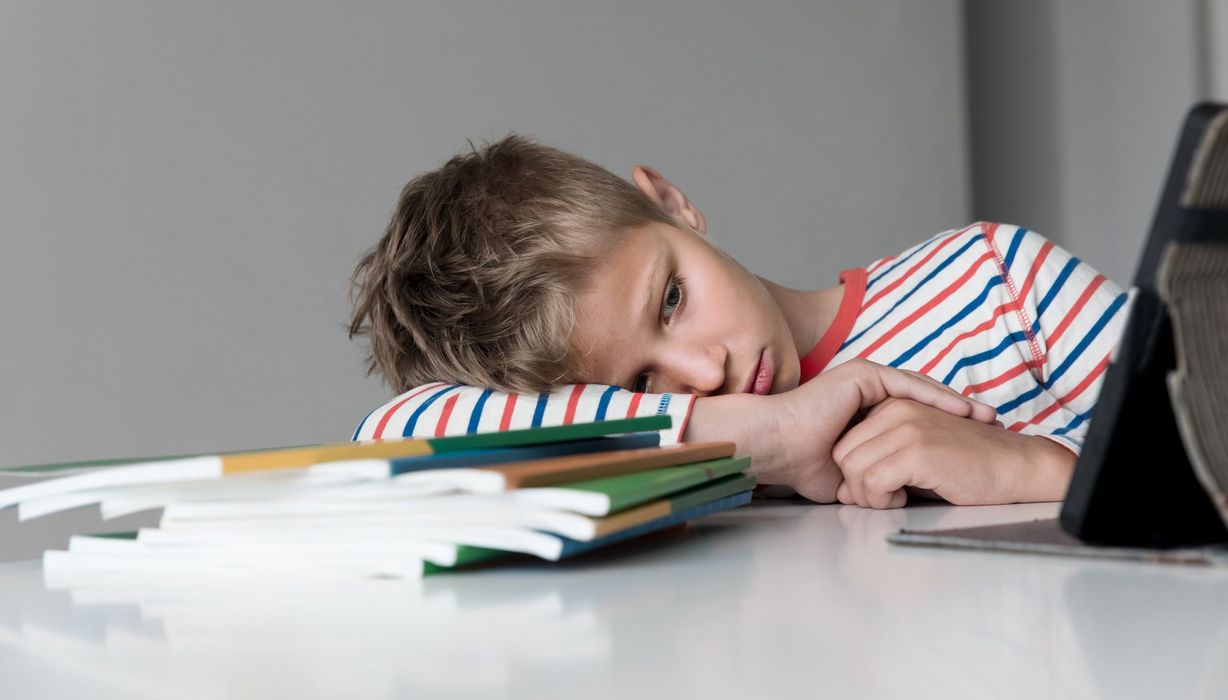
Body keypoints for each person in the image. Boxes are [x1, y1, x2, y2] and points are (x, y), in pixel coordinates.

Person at [348, 135, 1129, 508]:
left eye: (672, 301)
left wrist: (1036, 473)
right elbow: (394, 442)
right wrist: (765, 439)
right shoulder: (681, 464)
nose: (702, 373)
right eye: (642, 384)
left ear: (673, 206)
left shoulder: (989, 282)